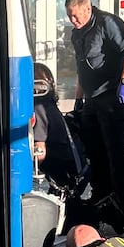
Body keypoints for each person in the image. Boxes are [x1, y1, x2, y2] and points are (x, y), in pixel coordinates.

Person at [66, 0, 124, 233]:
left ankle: (123, 203)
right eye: (69, 17)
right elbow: (81, 66)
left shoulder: (108, 23)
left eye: (76, 16)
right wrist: (78, 98)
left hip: (113, 95)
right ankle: (101, 197)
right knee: (94, 152)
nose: (73, 21)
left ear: (87, 9)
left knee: (115, 152)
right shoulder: (77, 32)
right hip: (92, 98)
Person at [32, 62, 85, 192]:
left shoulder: (39, 108)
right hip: (73, 162)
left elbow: (40, 153)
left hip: (64, 167)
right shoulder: (48, 104)